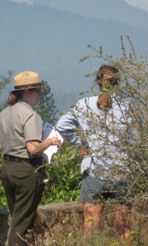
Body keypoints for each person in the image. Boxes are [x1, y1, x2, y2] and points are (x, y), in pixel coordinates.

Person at [55, 65, 131, 238]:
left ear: (97, 81)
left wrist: (83, 144)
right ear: (117, 82)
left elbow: (62, 126)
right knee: (124, 229)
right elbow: (134, 139)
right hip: (121, 172)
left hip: (94, 170)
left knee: (90, 227)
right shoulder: (126, 108)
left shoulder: (84, 105)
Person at [0, 71, 61, 246]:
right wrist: (50, 141)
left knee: (16, 216)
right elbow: (33, 149)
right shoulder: (31, 116)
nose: (41, 95)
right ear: (26, 92)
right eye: (38, 91)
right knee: (22, 224)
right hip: (25, 171)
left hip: (7, 168)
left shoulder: (3, 114)